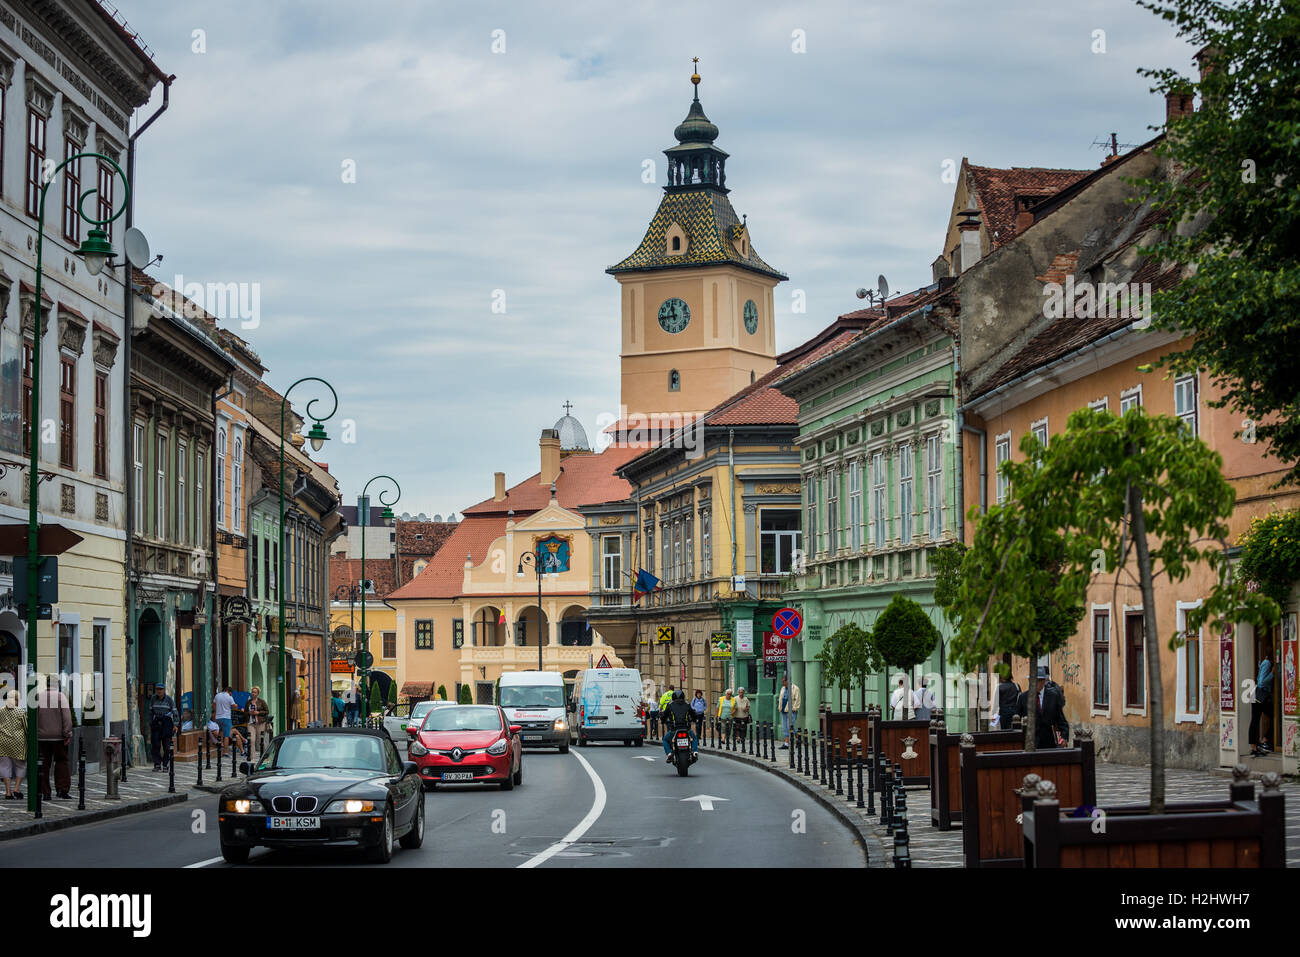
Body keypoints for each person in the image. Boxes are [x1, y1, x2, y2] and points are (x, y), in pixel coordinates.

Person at [1016, 667, 1069, 749]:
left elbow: (1061, 720)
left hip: (1049, 741)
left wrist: (1064, 737)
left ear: (1044, 681)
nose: (1036, 683)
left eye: (1039, 680)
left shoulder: (1053, 696)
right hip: (1030, 741)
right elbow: (1016, 719)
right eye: (1033, 680)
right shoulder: (1023, 697)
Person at [37, 678, 73, 798]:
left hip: (42, 738)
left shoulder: (39, 697)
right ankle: (62, 790)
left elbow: (33, 716)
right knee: (62, 762)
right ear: (56, 685)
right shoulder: (60, 697)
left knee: (44, 764)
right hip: (58, 738)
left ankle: (45, 792)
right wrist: (67, 733)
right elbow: (67, 716)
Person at [0, 690, 28, 800]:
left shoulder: (0, 711)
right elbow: (26, 728)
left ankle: (8, 792)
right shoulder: (21, 712)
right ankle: (16, 789)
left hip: (3, 742)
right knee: (21, 765)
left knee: (4, 766)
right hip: (18, 742)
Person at [1250, 646, 1275, 756]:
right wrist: (1272, 674)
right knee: (1272, 718)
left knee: (1256, 721)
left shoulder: (1266, 663)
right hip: (1260, 696)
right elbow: (1261, 682)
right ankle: (1260, 743)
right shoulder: (1267, 663)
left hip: (1259, 696)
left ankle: (1256, 746)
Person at [660, 689, 697, 763]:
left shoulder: (670, 705)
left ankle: (669, 753)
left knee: (665, 740)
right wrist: (694, 719)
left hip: (674, 730)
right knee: (694, 738)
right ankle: (694, 751)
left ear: (673, 697)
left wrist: (663, 721)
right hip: (686, 729)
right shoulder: (687, 704)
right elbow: (693, 714)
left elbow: (664, 715)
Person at [148, 683, 178, 771]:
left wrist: (175, 724)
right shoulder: (153, 699)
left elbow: (175, 712)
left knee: (167, 746)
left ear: (164, 690)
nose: (159, 691)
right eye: (157, 689)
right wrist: (151, 723)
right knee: (155, 744)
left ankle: (165, 764)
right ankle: (157, 764)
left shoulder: (169, 699)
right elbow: (150, 712)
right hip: (156, 722)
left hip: (166, 722)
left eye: (161, 689)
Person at [213, 684, 236, 751]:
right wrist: (236, 705)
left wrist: (216, 711)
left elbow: (213, 704)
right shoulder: (229, 697)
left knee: (221, 731)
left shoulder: (217, 695)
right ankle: (225, 751)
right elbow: (234, 706)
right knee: (226, 735)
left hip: (218, 718)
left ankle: (220, 747)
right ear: (230, 692)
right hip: (226, 718)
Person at [247, 686, 269, 751]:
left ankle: (266, 756)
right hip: (251, 723)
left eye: (255, 692)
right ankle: (252, 759)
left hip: (260, 723)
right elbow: (245, 712)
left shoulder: (262, 701)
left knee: (260, 740)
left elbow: (267, 711)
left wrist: (258, 713)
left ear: (258, 694)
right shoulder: (248, 702)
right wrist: (249, 713)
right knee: (251, 740)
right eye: (252, 692)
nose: (253, 693)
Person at [778, 676, 792, 748]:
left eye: (783, 681)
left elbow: (797, 699)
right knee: (785, 727)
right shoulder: (783, 688)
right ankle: (786, 743)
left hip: (791, 710)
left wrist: (794, 708)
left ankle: (797, 739)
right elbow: (781, 698)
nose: (782, 682)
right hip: (783, 710)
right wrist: (780, 707)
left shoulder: (794, 688)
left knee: (790, 726)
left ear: (787, 681)